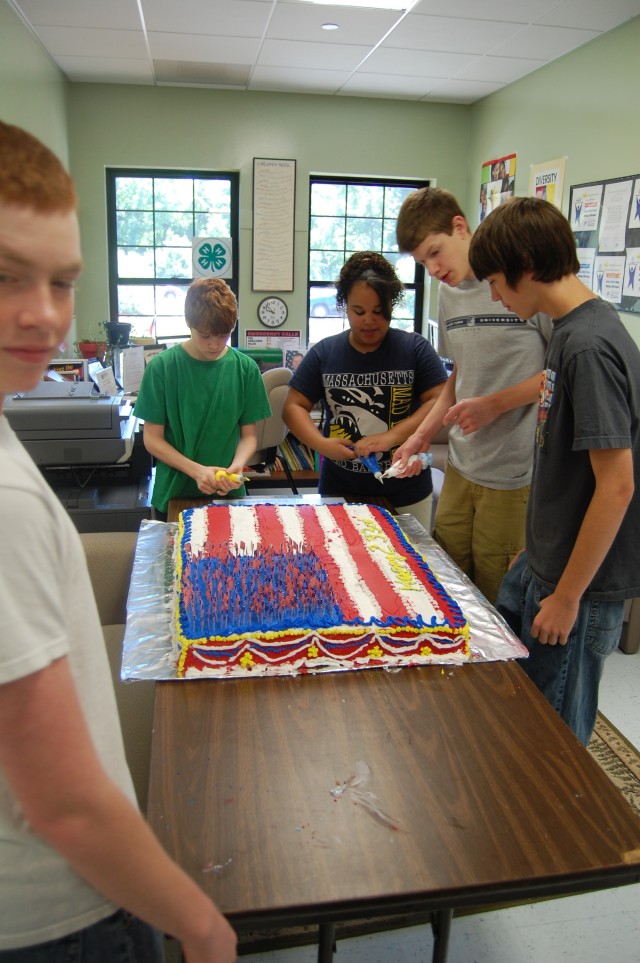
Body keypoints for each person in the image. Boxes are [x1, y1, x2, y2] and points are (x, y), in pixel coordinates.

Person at [0, 121, 237, 961]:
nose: (42, 313)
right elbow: (65, 802)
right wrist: (200, 921)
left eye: (62, 281)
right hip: (58, 908)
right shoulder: (9, 504)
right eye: (5, 275)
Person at [468, 195, 640, 745]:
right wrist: (538, 550)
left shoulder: (588, 346)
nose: (493, 294)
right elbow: (566, 464)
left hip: (580, 589)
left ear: (525, 263)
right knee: (524, 714)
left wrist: (566, 596)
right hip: (549, 564)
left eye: (495, 280)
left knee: (555, 741)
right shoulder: (567, 331)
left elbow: (616, 486)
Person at [393, 187, 552, 604]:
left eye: (435, 252)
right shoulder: (448, 294)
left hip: (511, 472)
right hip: (463, 466)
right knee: (448, 582)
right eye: (422, 262)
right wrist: (420, 437)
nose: (432, 268)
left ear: (460, 227)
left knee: (496, 595)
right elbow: (460, 375)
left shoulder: (520, 280)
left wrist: (494, 404)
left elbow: (562, 374)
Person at [283, 251, 447, 531]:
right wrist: (321, 445)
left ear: (391, 307)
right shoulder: (325, 352)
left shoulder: (414, 348)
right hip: (340, 491)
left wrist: (392, 437)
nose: (369, 321)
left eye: (379, 312)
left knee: (409, 567)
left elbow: (441, 398)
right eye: (359, 312)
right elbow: (293, 406)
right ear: (344, 305)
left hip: (406, 493)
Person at [134, 277, 270, 520]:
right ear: (189, 322)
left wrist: (236, 467)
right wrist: (197, 472)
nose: (215, 344)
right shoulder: (162, 368)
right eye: (206, 335)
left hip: (229, 493)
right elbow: (152, 440)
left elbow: (249, 437)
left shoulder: (246, 369)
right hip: (176, 493)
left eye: (224, 334)